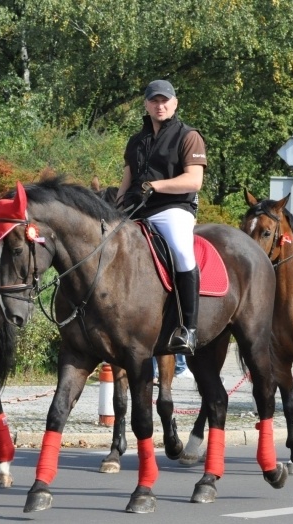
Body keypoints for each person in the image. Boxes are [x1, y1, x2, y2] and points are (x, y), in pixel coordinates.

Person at [116, 80, 206, 356]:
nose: (160, 105)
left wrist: (156, 186)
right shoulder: (136, 141)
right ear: (146, 104)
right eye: (154, 101)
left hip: (173, 209)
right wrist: (115, 210)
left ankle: (188, 328)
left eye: (165, 100)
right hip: (136, 210)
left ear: (175, 103)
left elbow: (194, 180)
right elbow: (127, 180)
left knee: (181, 250)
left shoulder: (188, 136)